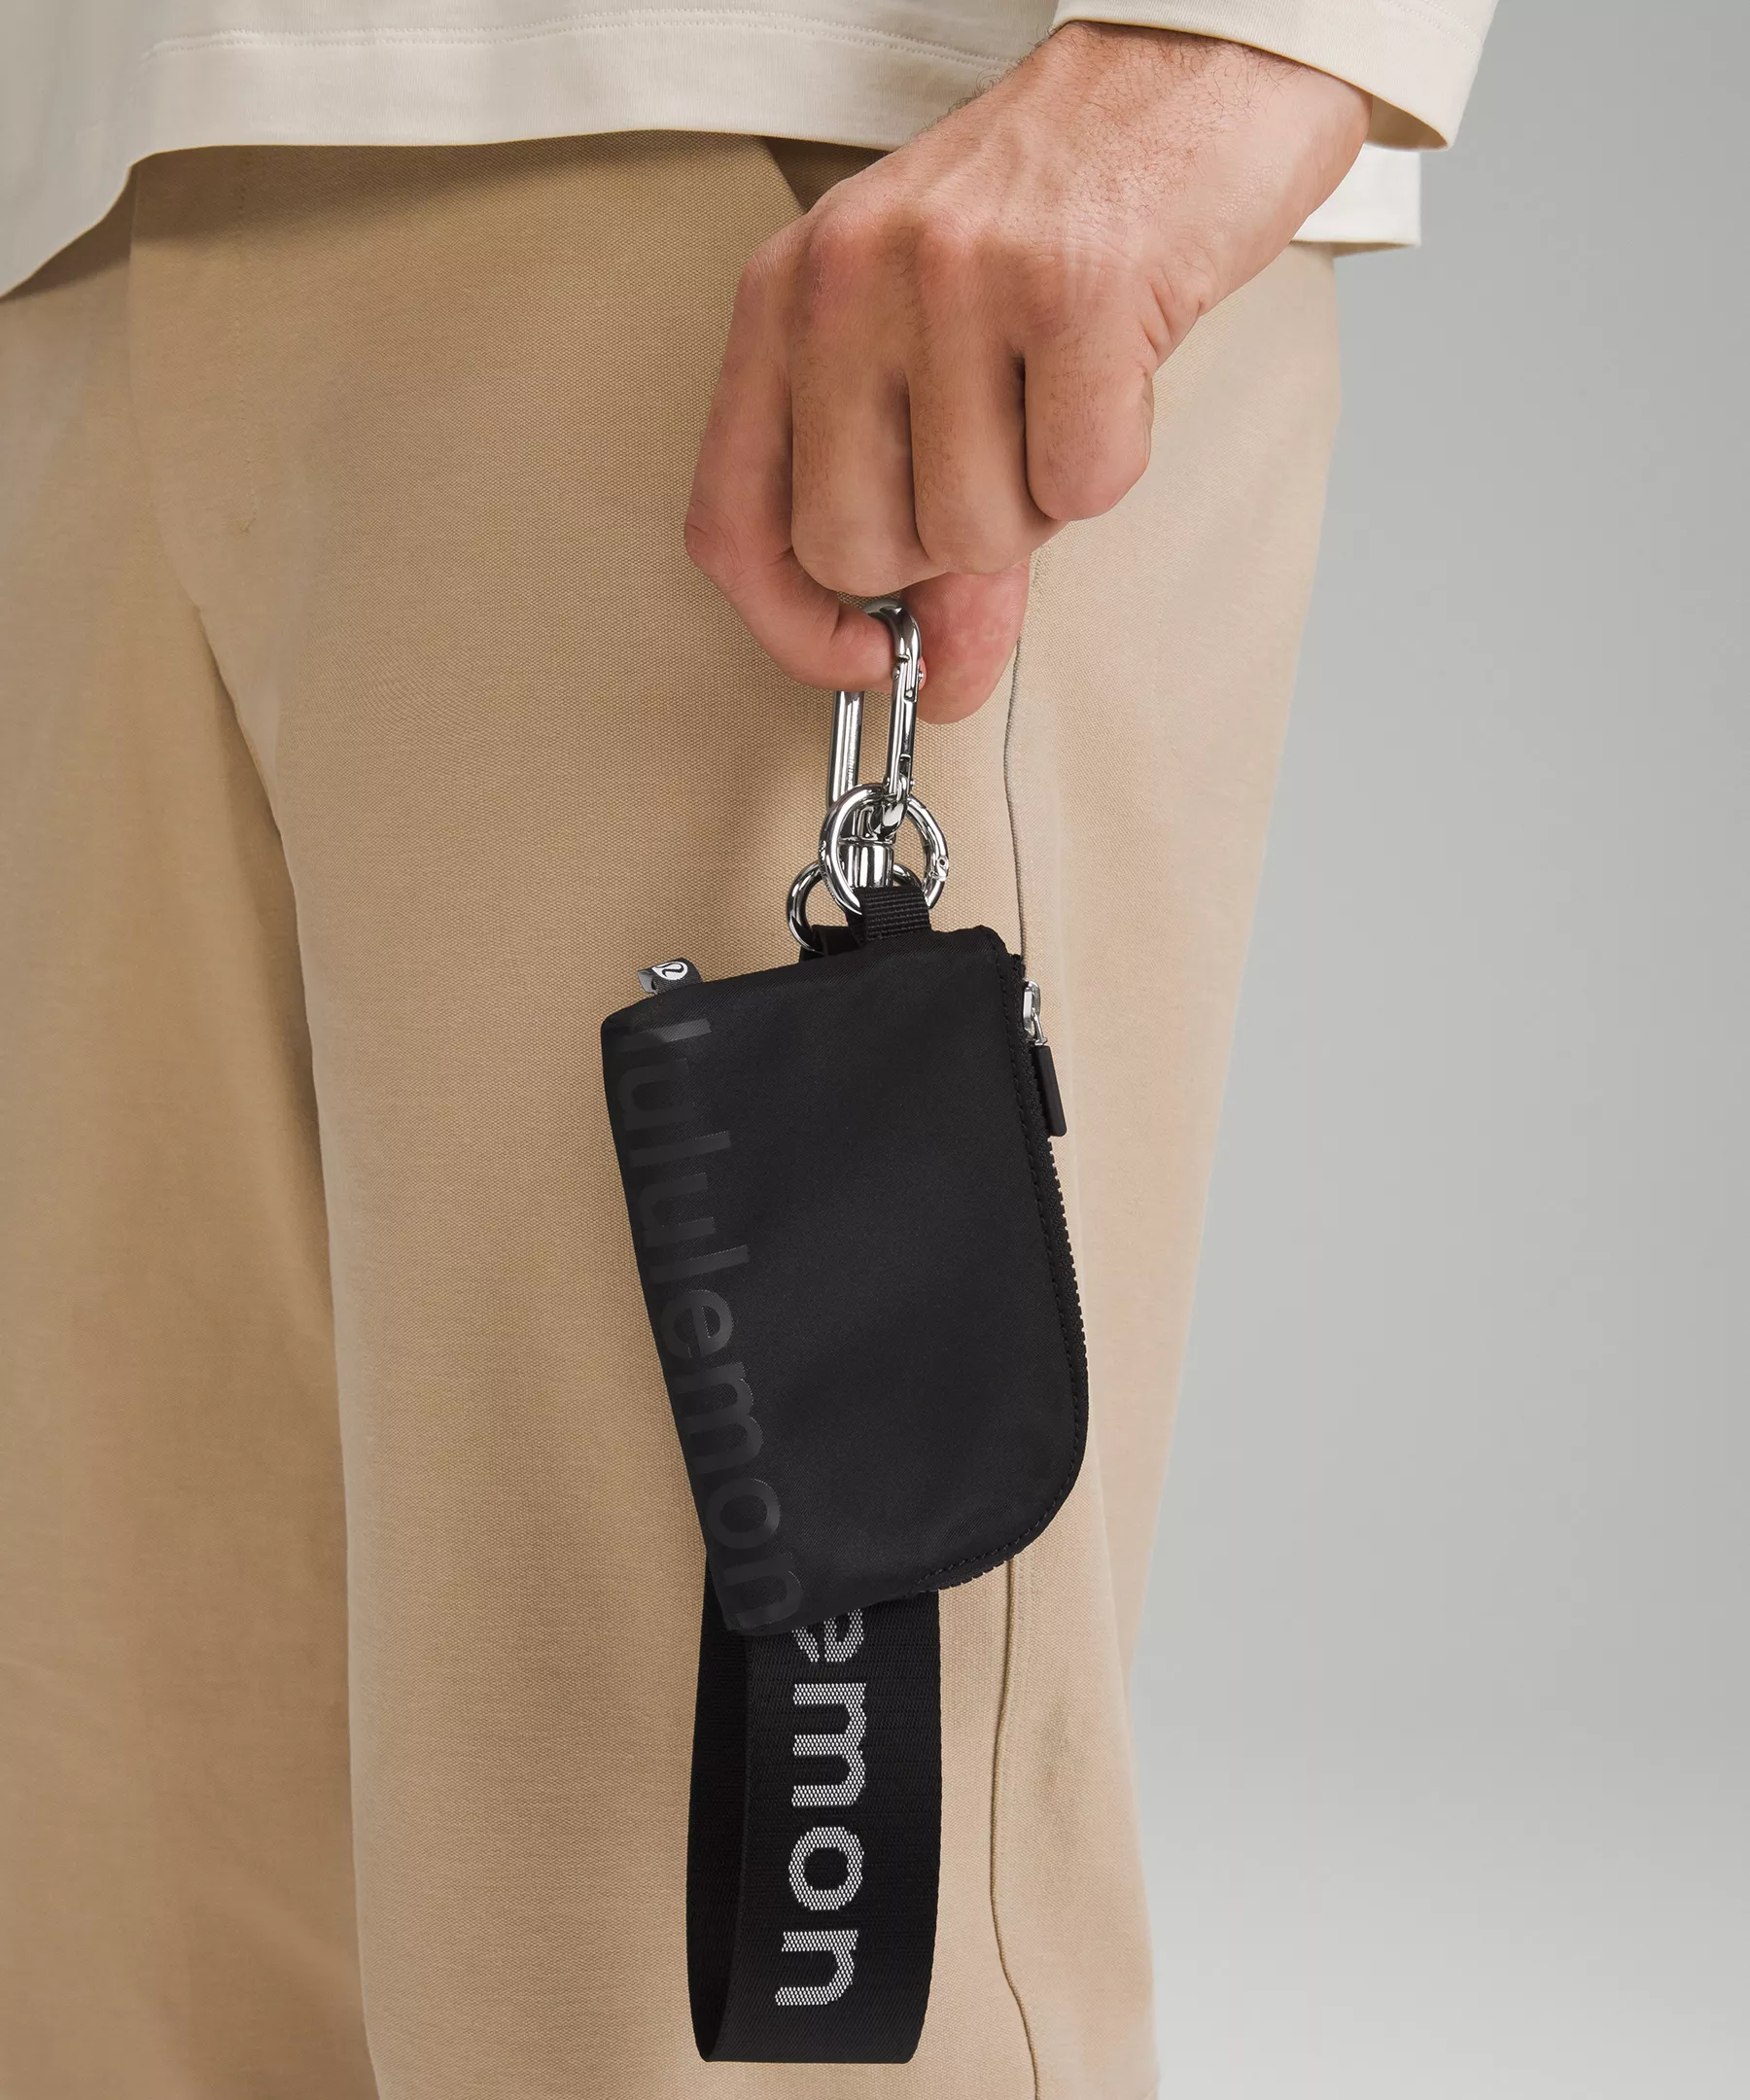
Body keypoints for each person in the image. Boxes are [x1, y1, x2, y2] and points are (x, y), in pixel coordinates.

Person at [0, 4, 1495, 2095]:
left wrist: (1231, 48)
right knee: (129, 1944)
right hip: (85, 216)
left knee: (667, 1990)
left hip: (789, 189)